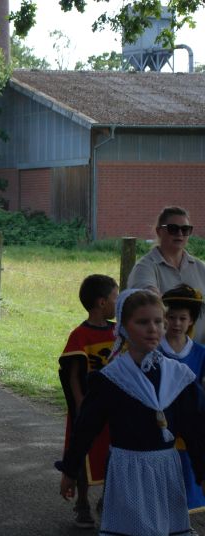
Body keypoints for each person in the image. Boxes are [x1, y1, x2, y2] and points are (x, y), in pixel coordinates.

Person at [59, 289, 205, 536]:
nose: (153, 329)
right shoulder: (111, 379)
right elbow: (85, 428)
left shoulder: (178, 376)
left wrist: (202, 472)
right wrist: (70, 471)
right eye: (142, 322)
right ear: (124, 327)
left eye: (158, 321)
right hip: (128, 473)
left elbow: (196, 429)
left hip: (167, 472)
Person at [57, 274, 118, 529]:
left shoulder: (119, 331)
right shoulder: (80, 335)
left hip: (114, 408)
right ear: (102, 302)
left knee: (114, 453)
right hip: (88, 407)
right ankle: (82, 502)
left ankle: (109, 498)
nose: (119, 301)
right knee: (82, 454)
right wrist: (81, 403)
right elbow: (73, 375)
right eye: (116, 296)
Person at [128, 206, 205, 344]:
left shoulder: (201, 267)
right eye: (173, 229)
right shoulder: (145, 267)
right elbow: (148, 300)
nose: (180, 233)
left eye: (185, 229)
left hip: (199, 355)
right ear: (159, 231)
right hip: (161, 354)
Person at [160, 284, 205, 514]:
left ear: (191, 321)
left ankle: (182, 524)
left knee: (186, 476)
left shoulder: (200, 352)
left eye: (183, 318)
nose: (176, 323)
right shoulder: (154, 349)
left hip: (190, 424)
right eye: (172, 317)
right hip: (161, 423)